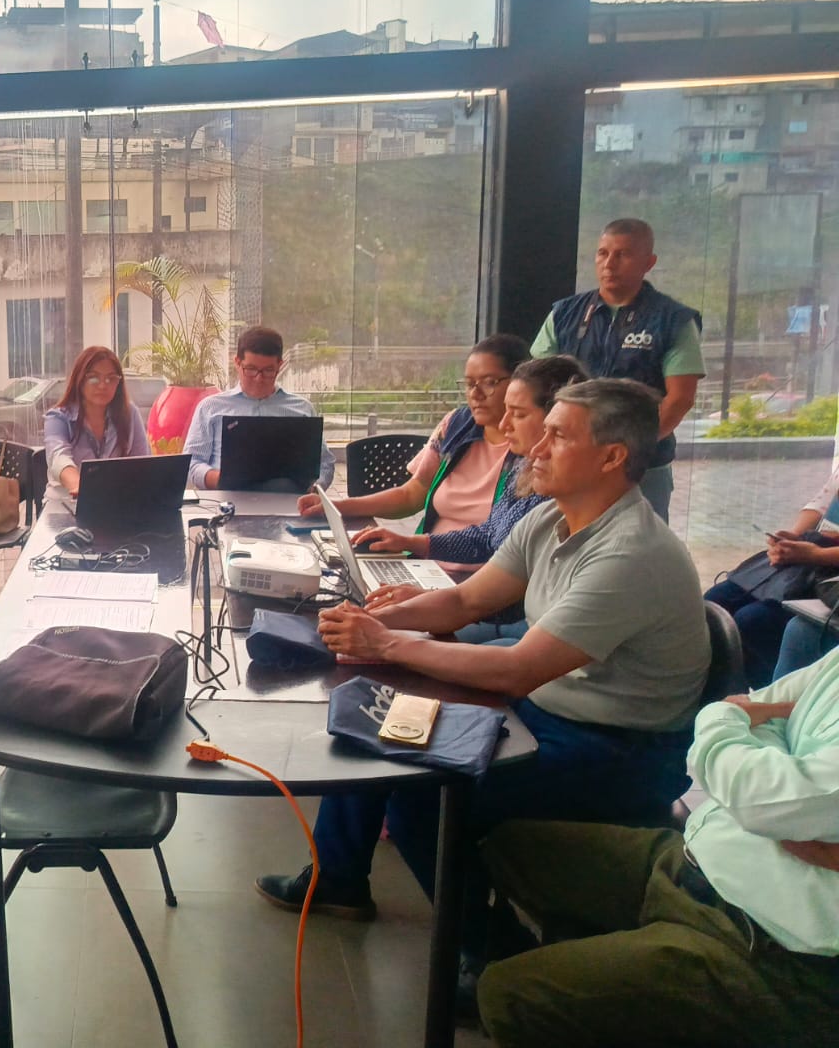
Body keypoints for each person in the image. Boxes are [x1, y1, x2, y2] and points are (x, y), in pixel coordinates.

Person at [256, 380, 708, 967]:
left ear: (612, 456)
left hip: (618, 750)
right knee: (387, 716)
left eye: (557, 436)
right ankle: (338, 877)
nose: (534, 448)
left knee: (421, 799)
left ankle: (495, 954)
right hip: (548, 709)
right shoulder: (550, 519)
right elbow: (466, 602)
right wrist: (377, 618)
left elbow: (517, 670)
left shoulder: (629, 553)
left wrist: (386, 642)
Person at [475, 650, 839, 1047]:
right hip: (701, 857)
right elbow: (751, 732)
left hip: (766, 945)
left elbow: (758, 790)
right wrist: (773, 793)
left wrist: (756, 760)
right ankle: (610, 983)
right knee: (509, 847)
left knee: (507, 996)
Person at [355, 355, 588, 643]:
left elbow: (500, 604)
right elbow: (487, 536)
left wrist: (424, 606)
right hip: (488, 612)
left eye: (518, 414)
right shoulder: (524, 470)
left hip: (515, 625)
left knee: (401, 642)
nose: (504, 425)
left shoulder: (562, 499)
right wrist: (412, 543)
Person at [531, 217, 704, 522]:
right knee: (560, 537)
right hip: (569, 461)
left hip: (641, 469)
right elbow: (535, 384)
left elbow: (679, 400)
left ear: (648, 262)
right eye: (603, 253)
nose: (609, 264)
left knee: (638, 542)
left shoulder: (673, 320)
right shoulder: (564, 314)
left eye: (623, 254)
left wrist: (630, 451)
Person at [297, 334, 531, 536]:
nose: (476, 394)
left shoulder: (533, 450)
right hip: (427, 561)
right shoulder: (455, 425)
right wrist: (334, 506)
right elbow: (412, 494)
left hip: (476, 569)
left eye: (489, 383)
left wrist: (415, 544)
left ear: (521, 383)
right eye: (469, 384)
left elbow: (491, 544)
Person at [703, 459, 839, 685]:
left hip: (828, 577)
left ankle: (766, 693)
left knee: (752, 620)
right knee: (715, 601)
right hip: (811, 557)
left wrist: (816, 554)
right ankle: (719, 693)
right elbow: (820, 503)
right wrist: (792, 538)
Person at [183, 325, 334, 491]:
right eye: (251, 369)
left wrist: (314, 490)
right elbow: (191, 463)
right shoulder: (210, 408)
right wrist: (223, 478)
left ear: (280, 365)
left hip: (290, 499)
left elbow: (325, 463)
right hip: (228, 498)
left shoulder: (302, 409)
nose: (258, 378)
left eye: (268, 370)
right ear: (237, 362)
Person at [43, 345, 150, 496]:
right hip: (66, 502)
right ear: (80, 380)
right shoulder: (58, 418)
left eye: (111, 379)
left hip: (116, 501)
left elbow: (143, 464)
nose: (102, 385)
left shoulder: (129, 413)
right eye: (93, 377)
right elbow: (58, 458)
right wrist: (79, 486)